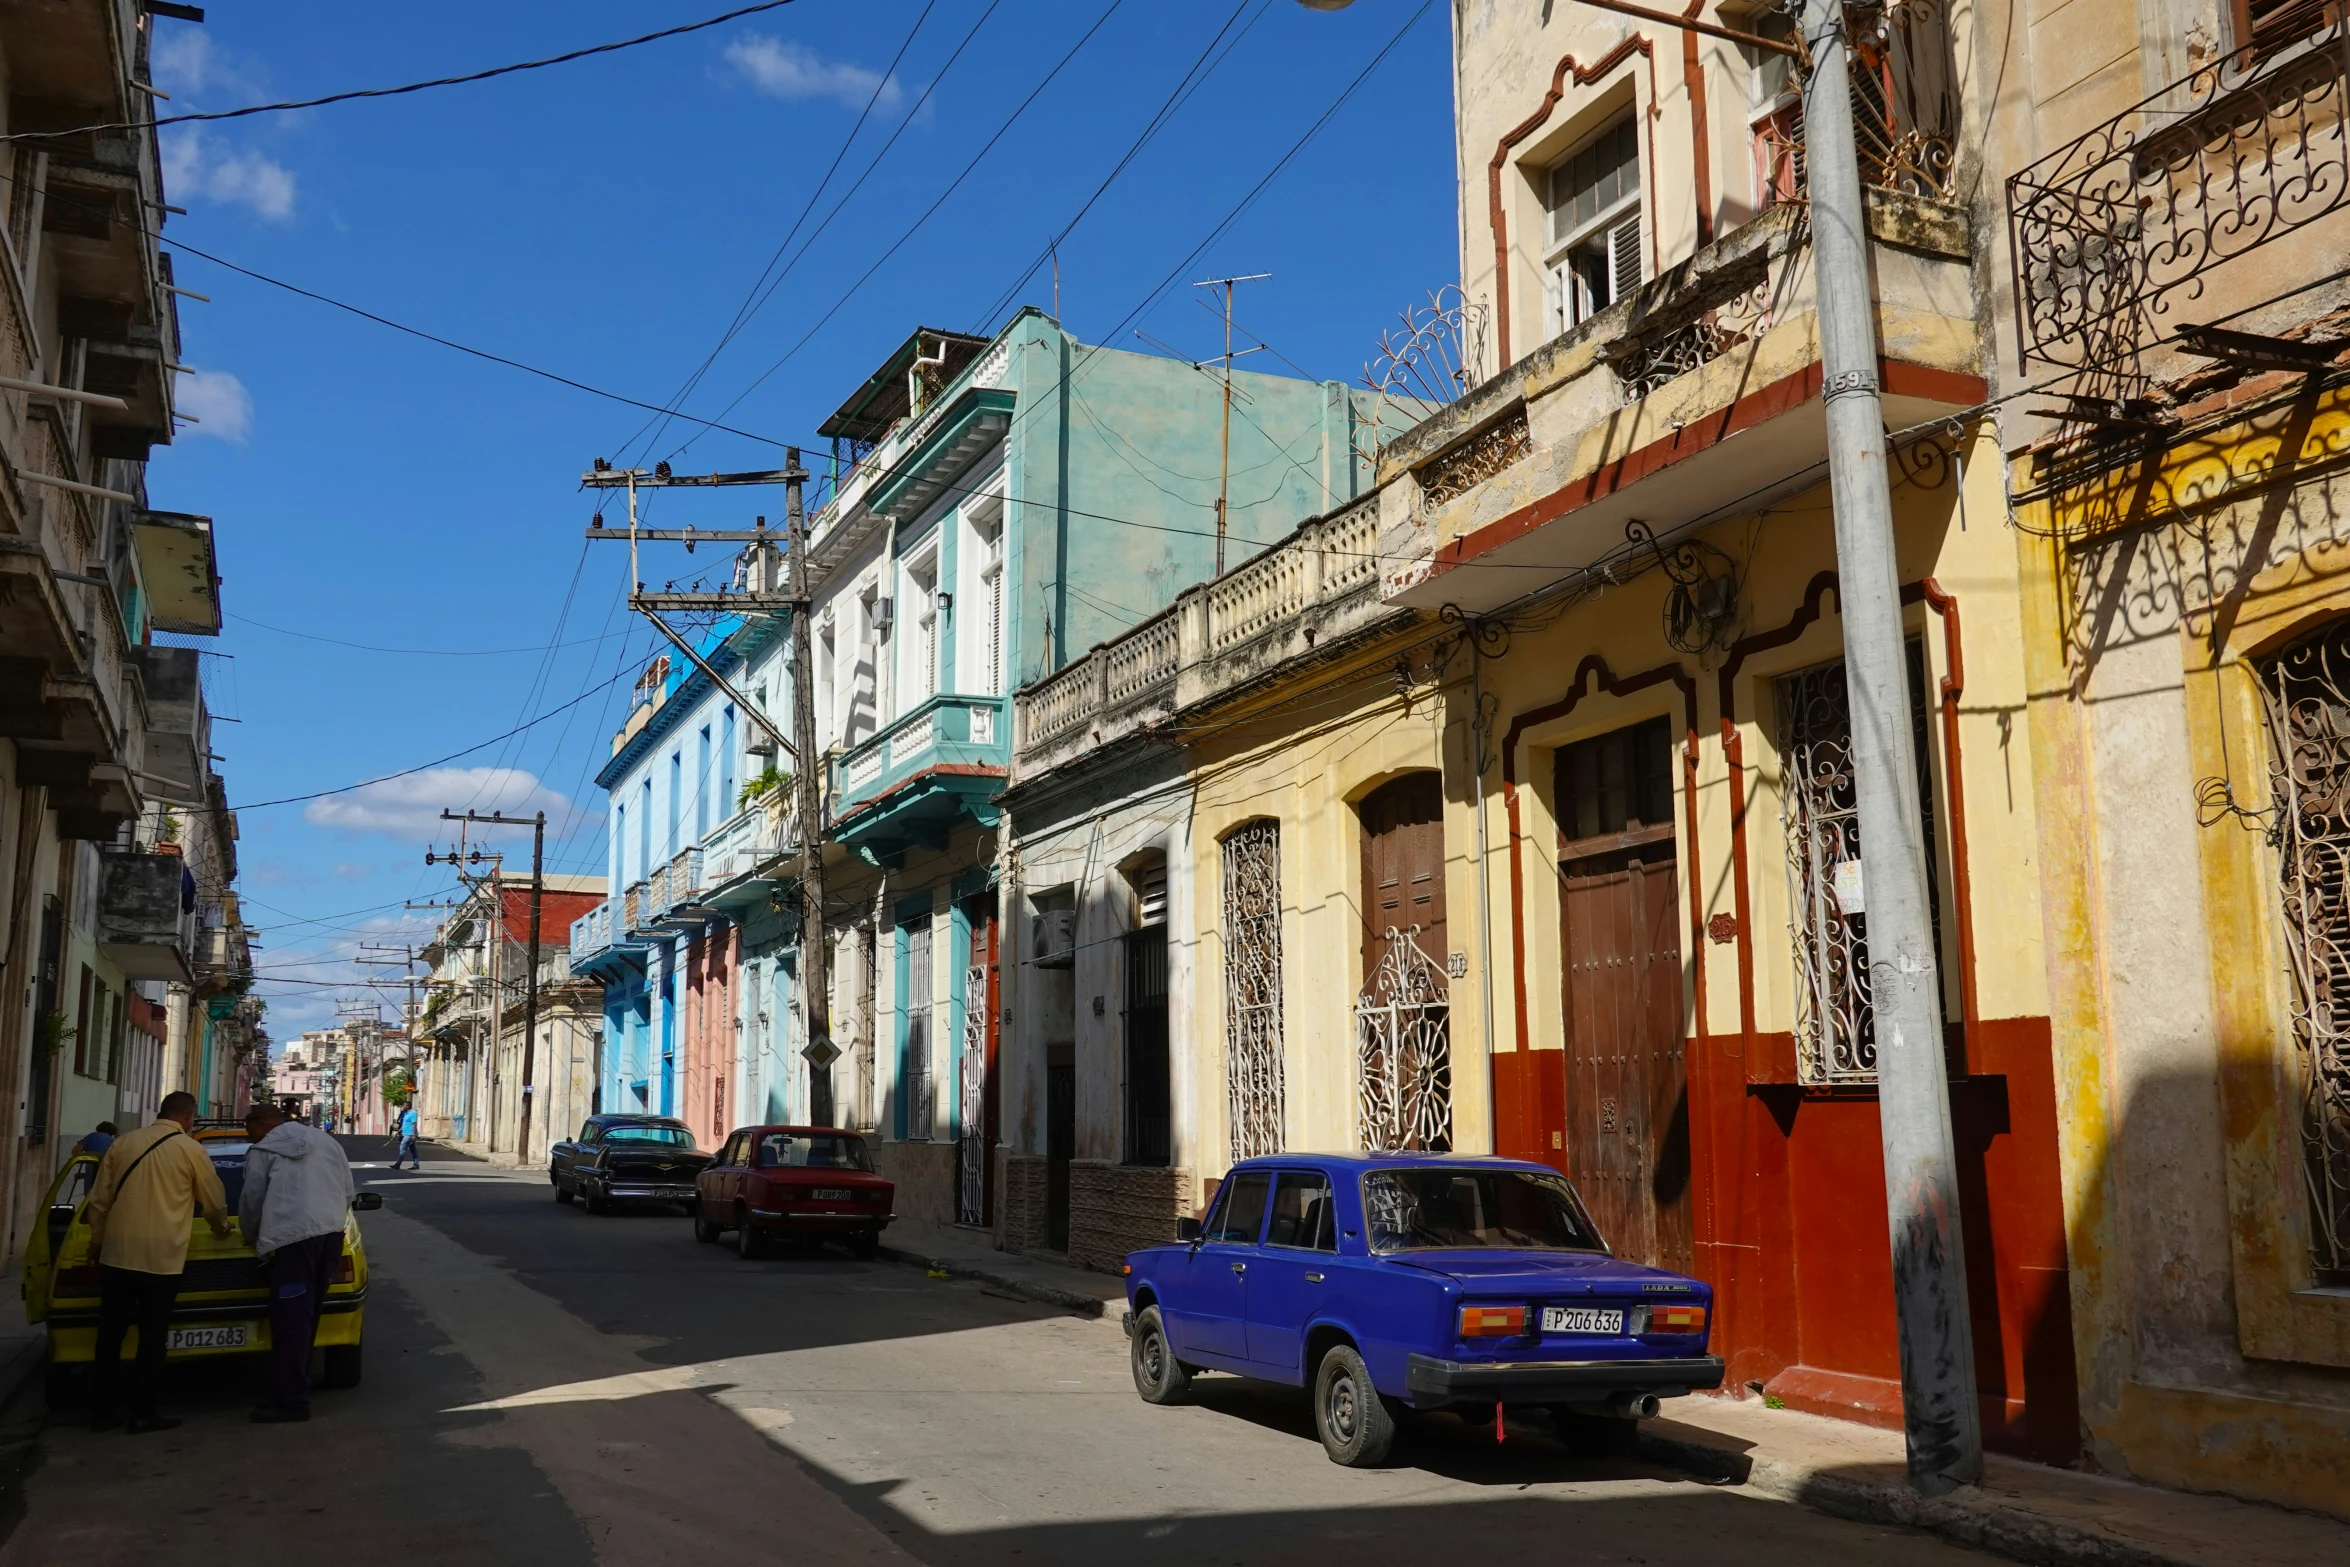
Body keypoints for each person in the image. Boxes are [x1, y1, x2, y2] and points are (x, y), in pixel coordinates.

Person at [84, 1091, 230, 1433]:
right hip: (161, 1259)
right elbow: (212, 1200)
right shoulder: (191, 1150)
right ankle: (143, 1412)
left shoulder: (123, 1143)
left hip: (118, 1254)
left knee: (109, 1335)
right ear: (189, 1117)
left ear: (161, 1112)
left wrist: (96, 1242)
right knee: (152, 1338)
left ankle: (102, 1411)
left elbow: (100, 1200)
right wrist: (221, 1227)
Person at [240, 1101, 355, 1423]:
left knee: (290, 1320)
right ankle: (294, 1387)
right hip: (329, 1235)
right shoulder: (326, 1141)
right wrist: (332, 1223)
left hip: (291, 1241)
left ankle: (291, 1401)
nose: (249, 1135)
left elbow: (251, 1202)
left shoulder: (263, 1151)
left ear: (262, 1123)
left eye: (248, 1126)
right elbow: (347, 1191)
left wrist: (253, 1239)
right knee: (308, 1316)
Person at [396, 1103, 420, 1170]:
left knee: (402, 1147)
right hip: (405, 1134)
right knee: (413, 1150)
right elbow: (405, 1124)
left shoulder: (412, 1113)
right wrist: (399, 1131)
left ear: (408, 1106)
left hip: (409, 1134)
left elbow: (414, 1124)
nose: (403, 1106)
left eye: (404, 1105)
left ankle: (398, 1164)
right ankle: (416, 1164)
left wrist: (413, 1134)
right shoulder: (406, 1114)